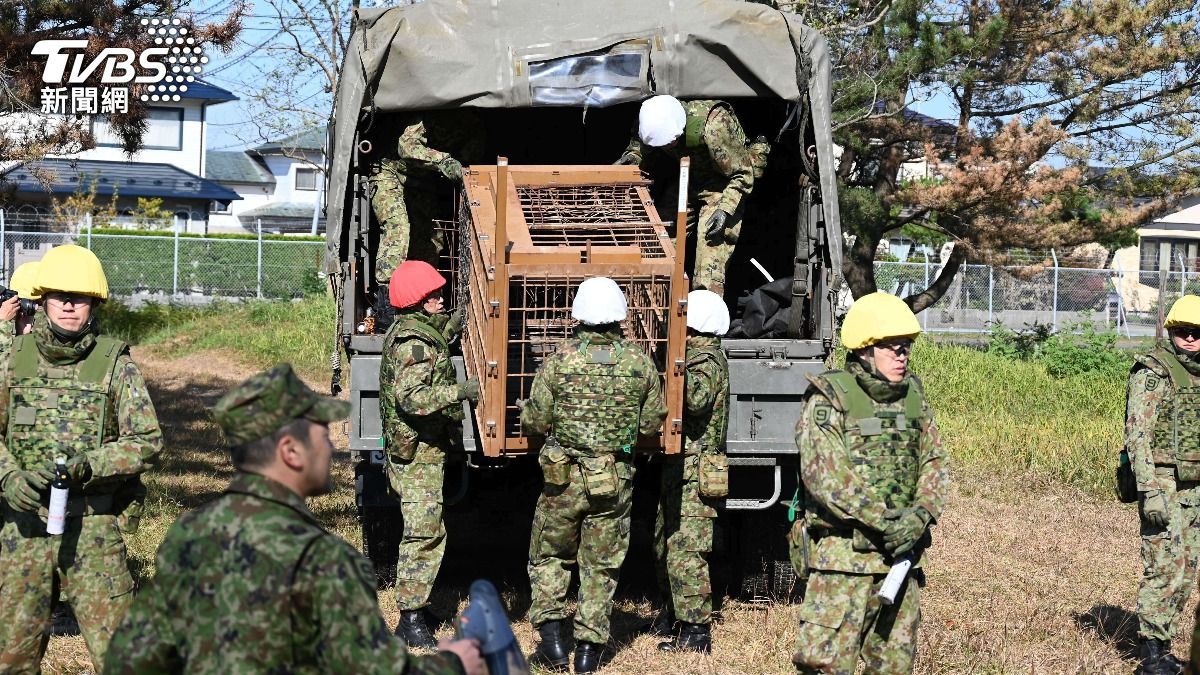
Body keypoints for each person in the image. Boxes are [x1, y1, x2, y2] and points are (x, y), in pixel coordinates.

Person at [103, 363, 484, 675]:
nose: (330, 447)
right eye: (320, 435)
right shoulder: (326, 561)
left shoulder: (187, 534)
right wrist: (456, 663)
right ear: (290, 451)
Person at [0, 245, 163, 673]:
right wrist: (9, 477)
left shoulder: (116, 365)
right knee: (11, 659)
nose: (70, 305)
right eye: (60, 296)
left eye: (80, 297)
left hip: (92, 530)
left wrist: (91, 465)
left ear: (94, 304)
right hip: (21, 533)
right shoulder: (11, 360)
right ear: (42, 300)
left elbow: (147, 440)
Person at [791, 291, 948, 673]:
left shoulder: (914, 396)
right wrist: (889, 521)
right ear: (864, 350)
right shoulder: (829, 400)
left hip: (899, 563)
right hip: (842, 566)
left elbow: (934, 460)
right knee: (825, 666)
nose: (902, 355)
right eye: (892, 347)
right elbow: (826, 478)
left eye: (906, 347)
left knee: (894, 667)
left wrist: (922, 514)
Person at [521, 276, 668, 674]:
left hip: (562, 481)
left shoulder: (559, 360)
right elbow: (652, 425)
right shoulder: (639, 363)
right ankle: (588, 653)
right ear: (619, 315)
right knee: (600, 566)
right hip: (613, 480)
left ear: (579, 315)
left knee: (549, 556)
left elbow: (535, 421)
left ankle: (552, 642)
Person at [379, 260, 479, 648]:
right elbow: (413, 398)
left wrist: (457, 321)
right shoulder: (413, 344)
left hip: (421, 451)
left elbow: (437, 341)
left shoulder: (415, 331)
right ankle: (409, 620)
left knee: (429, 530)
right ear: (417, 301)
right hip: (417, 454)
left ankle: (418, 608)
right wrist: (460, 392)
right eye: (433, 295)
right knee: (423, 534)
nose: (439, 298)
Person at [617, 95, 768, 296]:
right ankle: (658, 307)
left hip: (724, 184)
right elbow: (640, 147)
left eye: (670, 143)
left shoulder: (714, 125)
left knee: (710, 258)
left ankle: (703, 317)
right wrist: (632, 160)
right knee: (658, 242)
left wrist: (725, 208)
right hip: (687, 178)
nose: (666, 148)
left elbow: (743, 173)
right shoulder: (651, 119)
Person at [649, 289, 730, 654]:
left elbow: (694, 401)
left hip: (696, 472)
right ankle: (672, 615)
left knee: (686, 551)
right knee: (664, 545)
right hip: (681, 468)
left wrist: (672, 371)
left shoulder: (706, 361)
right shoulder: (697, 356)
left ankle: (696, 631)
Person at [1128, 295, 1200, 674]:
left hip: (1195, 486)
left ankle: (1165, 644)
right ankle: (1151, 653)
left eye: (1198, 333)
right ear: (1171, 331)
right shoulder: (1154, 370)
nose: (1190, 339)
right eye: (1183, 332)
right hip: (1164, 482)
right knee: (1163, 567)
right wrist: (1149, 490)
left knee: (1187, 569)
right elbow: (1137, 435)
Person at [369, 111, 484, 329]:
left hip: (422, 182)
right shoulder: (428, 112)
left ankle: (424, 306)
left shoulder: (473, 123)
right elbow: (407, 147)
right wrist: (444, 161)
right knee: (398, 231)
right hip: (389, 172)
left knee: (431, 242)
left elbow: (470, 159)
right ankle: (386, 308)